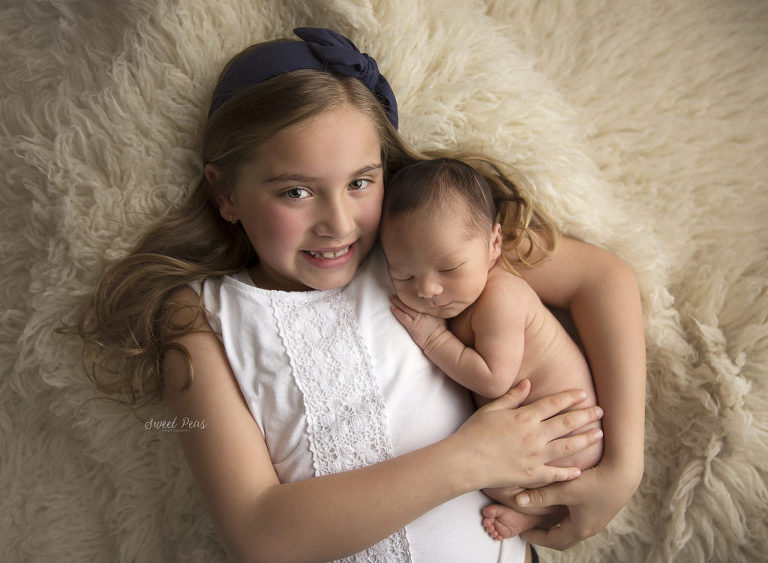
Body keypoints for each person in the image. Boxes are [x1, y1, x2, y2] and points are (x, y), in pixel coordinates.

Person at [77, 27, 644, 561]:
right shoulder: (200, 315)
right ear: (225, 193)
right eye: (296, 191)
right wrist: (473, 458)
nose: (338, 224)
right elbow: (258, 533)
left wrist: (622, 467)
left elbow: (604, 279)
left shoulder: (419, 247)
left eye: (360, 183)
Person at [379, 157, 605, 540]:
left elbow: (494, 380)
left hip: (567, 441)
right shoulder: (463, 296)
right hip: (541, 434)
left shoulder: (502, 297)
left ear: (494, 244)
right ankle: (533, 512)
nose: (428, 290)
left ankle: (534, 514)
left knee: (493, 482)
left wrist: (435, 339)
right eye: (405, 275)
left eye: (449, 270)